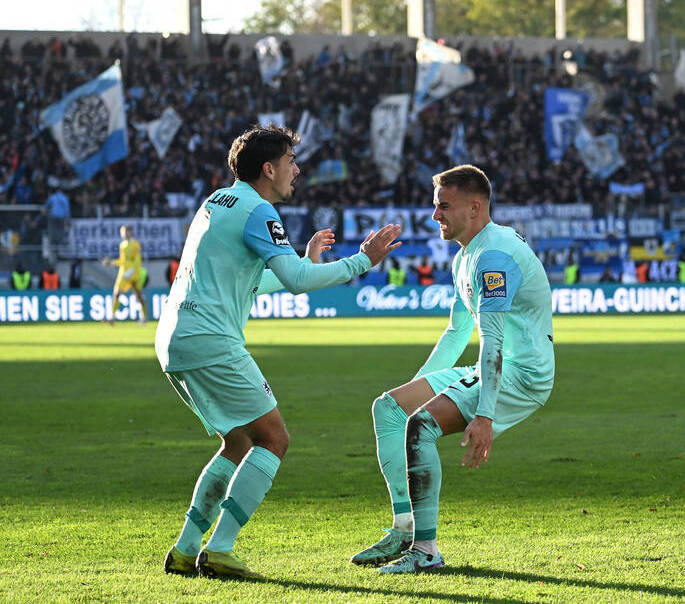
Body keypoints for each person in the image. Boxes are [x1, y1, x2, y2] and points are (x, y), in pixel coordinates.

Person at [155, 125, 402, 579]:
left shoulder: (218, 201)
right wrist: (363, 260)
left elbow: (259, 280)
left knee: (239, 440)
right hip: (211, 340)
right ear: (268, 169)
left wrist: (301, 262)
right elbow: (296, 282)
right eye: (291, 161)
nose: (297, 169)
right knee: (275, 438)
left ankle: (188, 548)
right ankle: (221, 548)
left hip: (176, 338)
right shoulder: (260, 211)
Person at [351, 165, 555, 574]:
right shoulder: (467, 256)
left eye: (444, 206)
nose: (435, 216)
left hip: (523, 372)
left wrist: (485, 414)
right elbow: (457, 330)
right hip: (500, 364)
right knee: (389, 409)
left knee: (420, 425)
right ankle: (404, 529)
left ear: (475, 208)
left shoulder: (492, 258)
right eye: (435, 206)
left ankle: (426, 551)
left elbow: (493, 342)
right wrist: (417, 386)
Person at [102, 225, 148, 324]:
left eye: (126, 231)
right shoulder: (122, 245)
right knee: (116, 294)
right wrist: (112, 262)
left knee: (139, 296)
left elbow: (137, 260)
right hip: (123, 273)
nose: (124, 234)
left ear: (130, 232)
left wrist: (131, 271)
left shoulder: (136, 244)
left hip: (134, 274)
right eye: (122, 232)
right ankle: (112, 318)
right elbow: (123, 260)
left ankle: (144, 317)